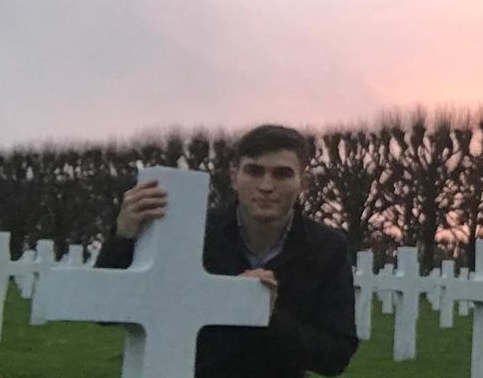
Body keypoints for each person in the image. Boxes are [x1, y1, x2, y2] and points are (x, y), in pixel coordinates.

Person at [96, 124, 359, 377]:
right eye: (254, 171)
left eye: (282, 174)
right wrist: (123, 236)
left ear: (305, 182)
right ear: (234, 177)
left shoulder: (327, 248)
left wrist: (266, 315)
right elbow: (105, 309)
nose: (266, 186)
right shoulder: (193, 234)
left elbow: (335, 356)